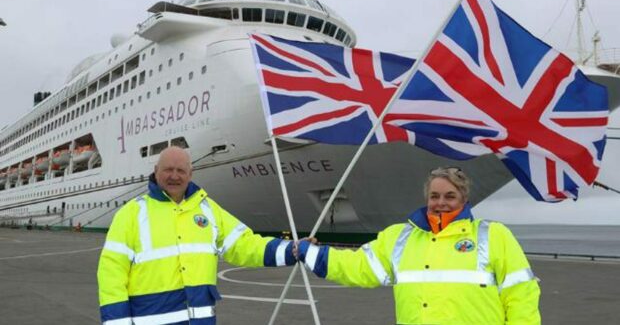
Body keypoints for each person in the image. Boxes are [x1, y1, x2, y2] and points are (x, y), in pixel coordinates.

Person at [296, 166, 541, 324]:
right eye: (434, 196)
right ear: (426, 197)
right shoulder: (399, 237)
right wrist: (313, 254)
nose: (441, 202)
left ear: (464, 199)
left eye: (450, 196)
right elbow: (358, 266)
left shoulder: (494, 235)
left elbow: (521, 295)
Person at [97, 146, 296, 324]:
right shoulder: (131, 214)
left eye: (180, 170)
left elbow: (245, 244)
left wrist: (291, 250)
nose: (174, 176)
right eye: (168, 169)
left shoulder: (208, 209)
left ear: (190, 174)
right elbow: (111, 274)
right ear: (156, 172)